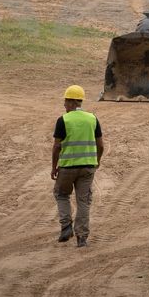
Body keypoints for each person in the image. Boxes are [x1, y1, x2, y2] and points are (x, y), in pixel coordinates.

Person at [51, 84, 104, 247]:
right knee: (83, 201)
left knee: (61, 194)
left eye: (66, 101)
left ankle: (66, 226)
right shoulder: (92, 119)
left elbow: (56, 146)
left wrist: (54, 167)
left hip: (67, 167)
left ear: (72, 102)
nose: (64, 105)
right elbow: (100, 145)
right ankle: (82, 238)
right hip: (88, 167)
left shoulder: (63, 120)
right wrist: (97, 161)